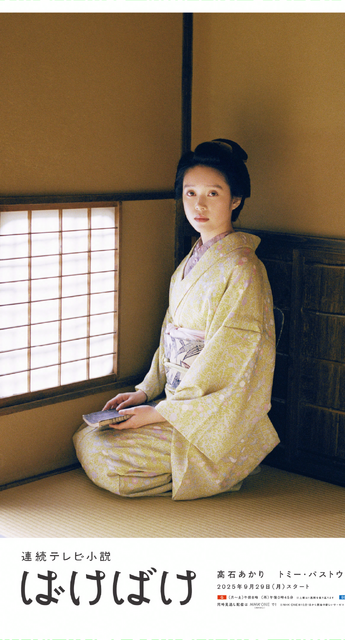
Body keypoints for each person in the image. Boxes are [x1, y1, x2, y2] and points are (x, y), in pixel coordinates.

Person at [73, 139, 280, 500]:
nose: (199, 205)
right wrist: (145, 391)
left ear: (235, 199)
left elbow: (231, 359)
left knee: (106, 457)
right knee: (89, 437)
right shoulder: (190, 261)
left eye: (213, 193)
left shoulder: (244, 269)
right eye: (190, 193)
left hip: (210, 417)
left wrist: (159, 414)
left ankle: (227, 463)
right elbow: (170, 339)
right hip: (177, 403)